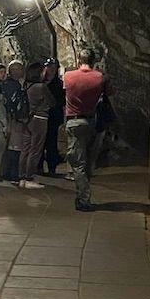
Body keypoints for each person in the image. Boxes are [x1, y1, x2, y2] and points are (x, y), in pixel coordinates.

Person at [63, 47, 105, 211]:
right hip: (91, 121)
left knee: (77, 162)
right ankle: (83, 194)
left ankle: (83, 198)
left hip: (74, 121)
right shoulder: (99, 77)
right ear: (94, 61)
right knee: (88, 160)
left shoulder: (68, 76)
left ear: (78, 60)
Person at [18, 61, 55, 188]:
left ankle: (22, 177)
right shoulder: (41, 87)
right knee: (35, 149)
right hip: (40, 119)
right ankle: (29, 178)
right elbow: (52, 102)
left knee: (25, 149)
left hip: (27, 119)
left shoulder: (26, 85)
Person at [0, 60, 26, 184]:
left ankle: (6, 172)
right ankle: (11, 173)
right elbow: (12, 104)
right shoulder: (13, 85)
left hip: (11, 119)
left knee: (10, 147)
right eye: (20, 69)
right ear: (14, 71)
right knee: (14, 147)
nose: (22, 71)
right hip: (13, 119)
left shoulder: (8, 84)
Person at [38, 58, 65, 176]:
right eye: (49, 67)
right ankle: (39, 167)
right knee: (40, 142)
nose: (51, 69)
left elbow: (62, 101)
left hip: (53, 117)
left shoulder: (59, 84)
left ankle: (51, 168)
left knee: (51, 142)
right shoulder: (40, 83)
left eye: (53, 67)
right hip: (41, 116)